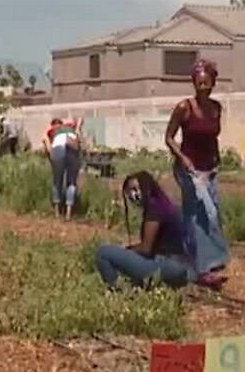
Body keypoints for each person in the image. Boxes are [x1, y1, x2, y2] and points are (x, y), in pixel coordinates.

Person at [165, 59, 229, 290]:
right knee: (200, 214)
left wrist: (217, 162)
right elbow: (169, 137)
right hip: (188, 170)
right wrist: (183, 159)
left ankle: (192, 260)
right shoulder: (185, 107)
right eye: (199, 83)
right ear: (194, 83)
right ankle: (203, 269)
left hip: (209, 168)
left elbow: (212, 138)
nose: (203, 87)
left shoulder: (216, 108)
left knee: (211, 214)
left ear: (213, 83)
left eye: (207, 83)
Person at [94, 171, 193, 289]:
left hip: (167, 265)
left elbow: (146, 249)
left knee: (103, 252)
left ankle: (115, 291)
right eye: (129, 191)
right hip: (180, 266)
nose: (133, 194)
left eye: (136, 189)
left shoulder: (154, 209)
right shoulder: (164, 205)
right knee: (132, 260)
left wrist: (126, 250)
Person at [44, 118, 81, 220]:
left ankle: (57, 212)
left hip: (58, 148)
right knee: (71, 182)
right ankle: (68, 213)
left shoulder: (52, 131)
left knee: (57, 181)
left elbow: (46, 142)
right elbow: (78, 132)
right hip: (72, 144)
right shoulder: (70, 128)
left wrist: (51, 154)